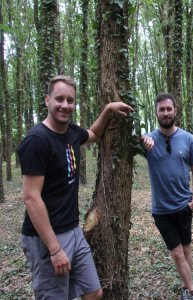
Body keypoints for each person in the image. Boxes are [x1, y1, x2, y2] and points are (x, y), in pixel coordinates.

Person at [18, 75, 134, 300]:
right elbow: (31, 198)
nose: (65, 105)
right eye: (59, 99)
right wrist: (54, 249)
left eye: (70, 100)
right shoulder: (36, 140)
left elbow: (93, 134)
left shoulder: (71, 132)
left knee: (94, 292)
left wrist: (108, 109)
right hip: (46, 237)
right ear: (47, 100)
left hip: (73, 230)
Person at [144, 93, 193, 300]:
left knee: (186, 248)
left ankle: (185, 288)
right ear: (156, 112)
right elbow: (127, 144)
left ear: (175, 110)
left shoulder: (188, 139)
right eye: (162, 110)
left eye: (169, 109)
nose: (166, 113)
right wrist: (141, 139)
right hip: (161, 210)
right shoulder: (148, 141)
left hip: (184, 206)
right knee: (176, 252)